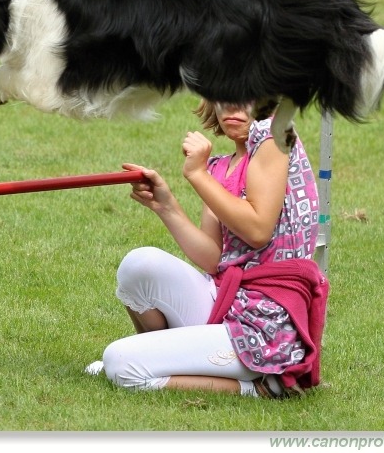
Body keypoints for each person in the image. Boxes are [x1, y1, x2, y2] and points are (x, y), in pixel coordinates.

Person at [86, 100, 328, 398]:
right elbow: (215, 260)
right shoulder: (221, 167)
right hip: (227, 300)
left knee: (119, 365)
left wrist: (197, 175)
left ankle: (262, 388)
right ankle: (162, 359)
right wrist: (166, 206)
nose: (231, 108)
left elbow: (257, 229)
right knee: (138, 265)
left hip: (264, 325)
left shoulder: (275, 135)